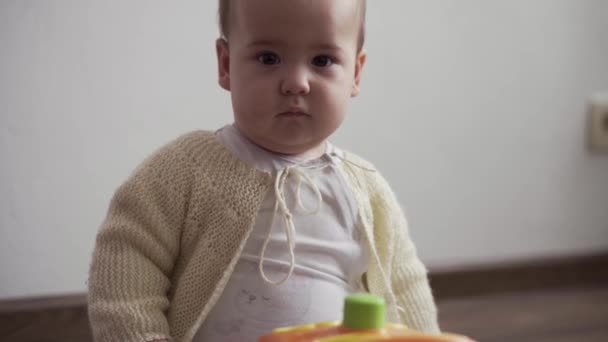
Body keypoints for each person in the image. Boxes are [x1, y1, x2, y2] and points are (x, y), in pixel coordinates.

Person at [87, 1, 439, 341]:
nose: (297, 82)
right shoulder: (186, 168)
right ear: (226, 65)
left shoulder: (365, 186)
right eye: (269, 58)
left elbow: (404, 284)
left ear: (355, 74)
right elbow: (127, 257)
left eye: (323, 60)